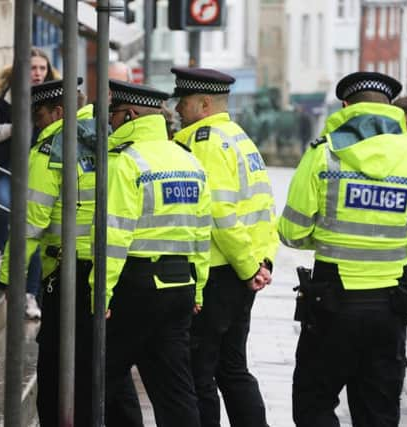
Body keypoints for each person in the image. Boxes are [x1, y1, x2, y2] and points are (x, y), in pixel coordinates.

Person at [278, 71, 407, 427]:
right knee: (378, 411)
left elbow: (293, 232)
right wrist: (398, 250)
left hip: (330, 305)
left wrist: (324, 238)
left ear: (345, 107)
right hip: (389, 307)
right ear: (391, 109)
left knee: (314, 404)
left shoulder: (324, 156)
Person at [99, 79, 212, 427]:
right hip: (179, 287)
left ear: (130, 115)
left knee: (98, 379)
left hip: (136, 288)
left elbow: (114, 237)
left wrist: (99, 294)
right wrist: (199, 289)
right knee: (175, 389)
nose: (110, 123)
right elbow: (201, 233)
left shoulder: (127, 163)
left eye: (114, 115)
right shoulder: (188, 160)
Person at [170, 67, 279, 427]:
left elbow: (220, 213)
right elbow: (264, 209)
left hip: (219, 273)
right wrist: (261, 265)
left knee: (200, 373)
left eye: (183, 102)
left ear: (203, 104)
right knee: (232, 368)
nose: (177, 109)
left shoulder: (205, 141)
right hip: (243, 272)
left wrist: (249, 267)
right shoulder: (239, 137)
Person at [0, 78, 98, 426]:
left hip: (67, 272)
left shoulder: (51, 149)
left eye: (39, 116)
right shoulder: (107, 138)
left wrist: (13, 278)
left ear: (58, 111)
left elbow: (30, 223)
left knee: (55, 362)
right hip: (109, 268)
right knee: (98, 364)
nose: (36, 124)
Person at [0, 47, 55, 319]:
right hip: (3, 167)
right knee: (1, 203)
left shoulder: (52, 100)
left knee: (32, 233)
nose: (37, 73)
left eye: (42, 69)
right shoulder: (2, 99)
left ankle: (30, 295)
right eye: (33, 68)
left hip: (36, 173)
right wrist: (14, 127)